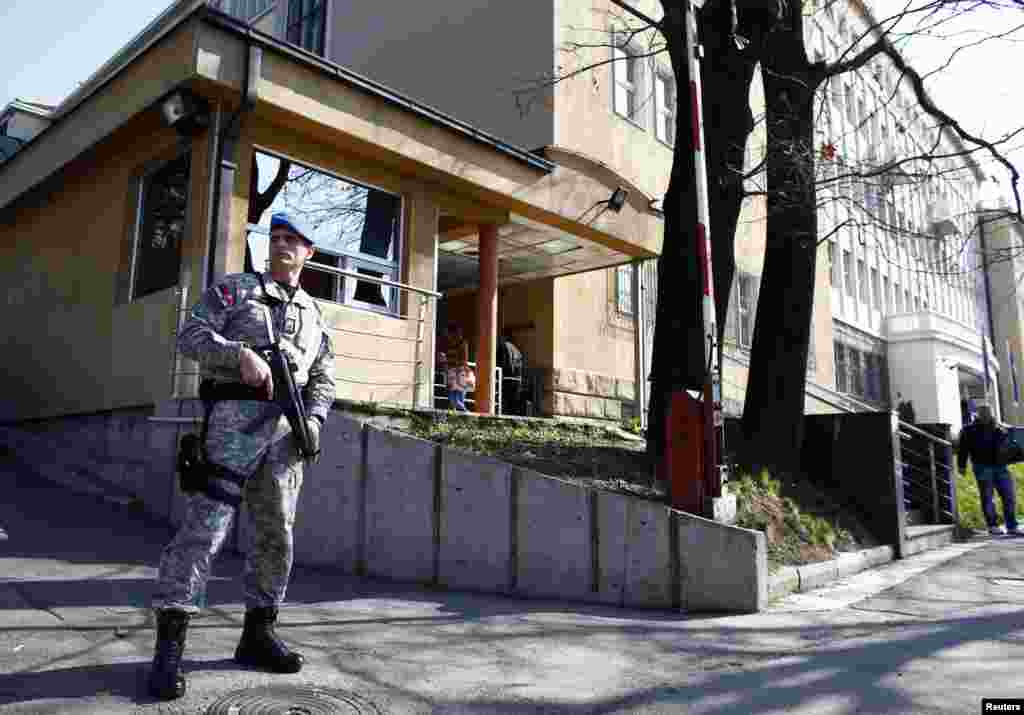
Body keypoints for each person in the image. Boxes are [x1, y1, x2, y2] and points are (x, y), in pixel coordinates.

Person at [147, 212, 336, 700]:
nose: (282, 246)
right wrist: (239, 355)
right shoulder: (235, 291)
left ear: (309, 252)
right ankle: (170, 647)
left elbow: (324, 378)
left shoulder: (316, 315)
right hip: (232, 431)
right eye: (275, 238)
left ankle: (258, 634)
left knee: (276, 538)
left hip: (284, 442)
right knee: (202, 535)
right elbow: (190, 335)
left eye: (293, 240)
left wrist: (313, 421)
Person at [957, 403, 1021, 537]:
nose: (986, 415)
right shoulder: (969, 430)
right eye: (983, 412)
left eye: (989, 412)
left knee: (1009, 496)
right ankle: (993, 525)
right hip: (982, 466)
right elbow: (962, 449)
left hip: (1000, 466)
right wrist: (961, 466)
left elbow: (1010, 446)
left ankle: (1012, 526)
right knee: (987, 497)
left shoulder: (1000, 428)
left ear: (992, 413)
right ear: (978, 415)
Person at [440, 322, 470, 412]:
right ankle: (460, 412)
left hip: (459, 372)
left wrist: (447, 361)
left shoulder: (462, 343)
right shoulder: (448, 344)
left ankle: (464, 412)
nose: (447, 336)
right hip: (452, 372)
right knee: (453, 397)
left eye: (448, 333)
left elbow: (463, 360)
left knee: (457, 398)